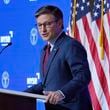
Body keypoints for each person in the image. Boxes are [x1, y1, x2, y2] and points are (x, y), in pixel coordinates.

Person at [25, 5, 93, 110]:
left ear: (60, 23)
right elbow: (47, 84)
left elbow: (83, 75)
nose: (43, 29)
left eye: (47, 24)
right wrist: (19, 95)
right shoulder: (44, 51)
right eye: (39, 25)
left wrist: (62, 93)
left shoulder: (70, 45)